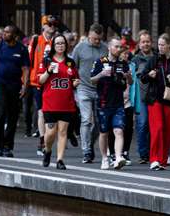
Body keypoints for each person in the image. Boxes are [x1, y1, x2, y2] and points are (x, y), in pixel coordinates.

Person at [140, 34, 170, 170]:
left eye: (162, 45)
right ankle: (154, 159)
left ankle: (163, 159)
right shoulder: (154, 59)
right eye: (159, 45)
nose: (160, 47)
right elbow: (142, 77)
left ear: (169, 45)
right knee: (158, 127)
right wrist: (149, 75)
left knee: (167, 130)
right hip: (155, 98)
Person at [37, 33, 78, 169]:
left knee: (63, 131)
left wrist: (76, 83)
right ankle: (47, 150)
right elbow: (40, 80)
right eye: (58, 43)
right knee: (50, 133)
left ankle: (60, 160)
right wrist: (48, 71)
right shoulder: (47, 60)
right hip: (50, 102)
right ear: (53, 46)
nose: (60, 46)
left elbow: (74, 80)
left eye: (62, 43)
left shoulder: (70, 62)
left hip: (66, 102)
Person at [91, 37, 132, 170]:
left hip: (118, 103)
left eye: (120, 47)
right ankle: (104, 158)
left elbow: (130, 82)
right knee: (104, 133)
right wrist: (101, 74)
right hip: (103, 103)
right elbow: (92, 80)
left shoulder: (123, 63)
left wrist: (128, 76)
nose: (119, 49)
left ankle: (118, 157)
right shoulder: (100, 62)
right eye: (116, 47)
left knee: (119, 130)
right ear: (109, 47)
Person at [0, 25, 30, 158]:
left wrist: (25, 86)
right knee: (0, 113)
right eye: (4, 32)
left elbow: (25, 69)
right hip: (0, 83)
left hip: (15, 85)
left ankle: (8, 146)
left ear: (14, 35)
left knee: (13, 116)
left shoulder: (22, 49)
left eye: (7, 32)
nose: (4, 34)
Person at [71, 24, 107, 163]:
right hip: (84, 88)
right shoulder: (80, 47)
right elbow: (73, 66)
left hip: (100, 89)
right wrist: (74, 84)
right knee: (86, 119)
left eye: (99, 39)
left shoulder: (104, 48)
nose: (97, 42)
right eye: (94, 39)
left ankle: (90, 143)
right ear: (89, 35)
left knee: (99, 122)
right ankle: (86, 150)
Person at [27, 15, 57, 150]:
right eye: (49, 24)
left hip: (53, 81)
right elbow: (28, 61)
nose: (52, 27)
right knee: (41, 111)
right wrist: (25, 80)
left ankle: (51, 137)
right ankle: (42, 140)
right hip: (38, 81)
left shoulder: (57, 41)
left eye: (54, 24)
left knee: (52, 111)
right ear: (43, 26)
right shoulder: (35, 40)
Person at [130, 30, 154, 164]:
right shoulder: (135, 60)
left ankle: (153, 152)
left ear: (151, 43)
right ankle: (143, 153)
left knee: (153, 125)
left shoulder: (156, 57)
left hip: (154, 96)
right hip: (140, 97)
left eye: (148, 42)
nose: (145, 44)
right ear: (139, 44)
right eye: (143, 42)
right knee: (142, 124)